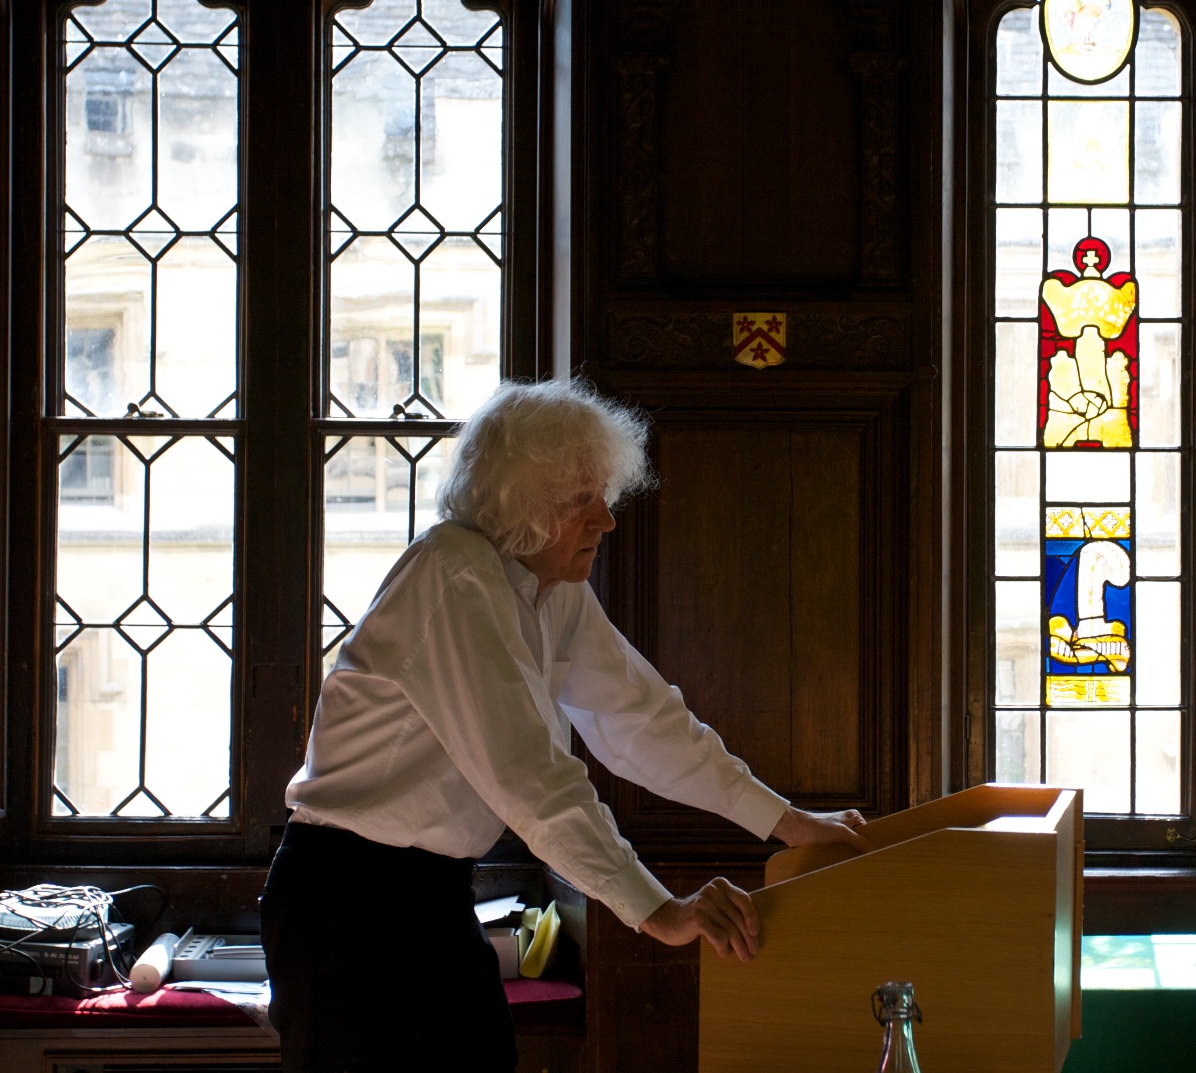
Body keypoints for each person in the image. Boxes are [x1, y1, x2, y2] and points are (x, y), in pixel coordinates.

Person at [261, 379, 869, 1071]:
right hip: (345, 901)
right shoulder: (454, 573)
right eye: (584, 503)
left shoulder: (552, 591)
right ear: (520, 504)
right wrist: (658, 911)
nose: (607, 522)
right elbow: (531, 775)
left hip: (431, 896)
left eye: (604, 498)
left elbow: (644, 721)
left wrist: (787, 822)